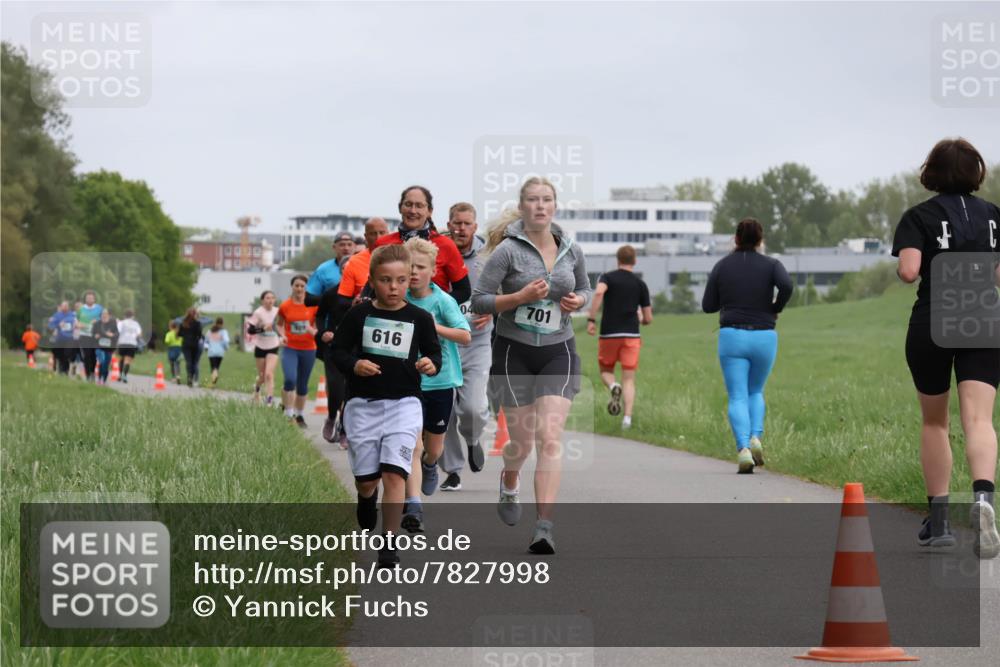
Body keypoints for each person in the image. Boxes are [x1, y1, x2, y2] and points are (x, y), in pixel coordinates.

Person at [891, 137, 999, 559]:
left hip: (933, 321)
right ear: (976, 171)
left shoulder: (919, 216)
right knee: (980, 420)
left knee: (935, 422)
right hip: (983, 321)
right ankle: (984, 501)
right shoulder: (993, 216)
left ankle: (938, 524)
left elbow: (909, 270)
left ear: (931, 172)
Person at [471, 176, 591, 555]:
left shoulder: (571, 248)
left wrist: (578, 301)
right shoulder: (507, 251)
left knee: (550, 438)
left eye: (547, 200)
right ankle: (509, 478)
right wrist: (519, 296)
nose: (540, 206)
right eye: (533, 200)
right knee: (521, 444)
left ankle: (543, 527)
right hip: (514, 352)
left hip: (559, 350)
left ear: (555, 206)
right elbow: (479, 300)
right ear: (522, 208)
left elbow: (586, 288)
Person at [330, 244, 442, 567]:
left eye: (401, 280)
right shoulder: (360, 314)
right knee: (368, 480)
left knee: (395, 474)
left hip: (405, 405)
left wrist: (430, 364)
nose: (393, 288)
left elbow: (435, 353)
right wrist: (355, 364)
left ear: (410, 279)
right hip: (363, 405)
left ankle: (388, 546)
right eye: (385, 280)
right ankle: (366, 499)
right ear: (372, 280)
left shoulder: (419, 318)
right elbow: (338, 351)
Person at [702, 218, 794, 474]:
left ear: (736, 239)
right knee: (756, 391)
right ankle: (756, 437)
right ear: (760, 240)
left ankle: (743, 449)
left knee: (738, 395)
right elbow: (786, 285)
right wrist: (775, 308)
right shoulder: (772, 264)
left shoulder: (722, 266)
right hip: (764, 335)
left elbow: (708, 305)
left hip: (732, 336)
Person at [399, 237, 471, 531]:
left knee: (434, 449)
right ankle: (413, 505)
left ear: (432, 271)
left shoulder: (443, 300)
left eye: (420, 267)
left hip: (440, 382)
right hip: (407, 384)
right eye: (409, 266)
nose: (414, 272)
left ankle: (431, 466)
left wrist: (432, 325)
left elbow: (464, 336)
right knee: (412, 446)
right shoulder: (397, 298)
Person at [440, 202, 493, 491]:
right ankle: (453, 470)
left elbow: (511, 290)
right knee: (443, 409)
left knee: (472, 407)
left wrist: (494, 308)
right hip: (442, 343)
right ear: (448, 223)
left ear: (475, 226)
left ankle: (473, 439)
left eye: (466, 224)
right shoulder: (434, 252)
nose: (460, 229)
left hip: (477, 341)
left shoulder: (489, 256)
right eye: (456, 223)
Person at [586, 245, 653, 429]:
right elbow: (648, 318)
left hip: (609, 334)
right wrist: (642, 320)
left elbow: (599, 292)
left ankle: (613, 386)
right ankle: (627, 420)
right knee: (629, 379)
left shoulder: (607, 277)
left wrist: (591, 319)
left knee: (606, 371)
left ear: (618, 260)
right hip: (631, 335)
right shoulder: (640, 284)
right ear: (635, 261)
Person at [374, 186, 471, 305]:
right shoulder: (383, 244)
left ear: (429, 211)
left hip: (432, 319)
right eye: (408, 204)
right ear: (400, 208)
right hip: (390, 318)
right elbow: (373, 284)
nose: (413, 211)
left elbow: (464, 291)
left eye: (419, 206)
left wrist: (434, 306)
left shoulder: (446, 244)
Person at [276, 274, 319, 427]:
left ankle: (300, 415)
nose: (299, 288)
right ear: (292, 287)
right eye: (297, 285)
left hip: (308, 349)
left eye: (302, 286)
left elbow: (318, 325)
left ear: (306, 287)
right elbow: (279, 324)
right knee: (290, 379)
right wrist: (282, 335)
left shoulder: (313, 305)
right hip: (290, 348)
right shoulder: (285, 306)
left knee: (302, 385)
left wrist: (314, 330)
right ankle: (289, 414)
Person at [339, 218, 391, 302]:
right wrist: (356, 302)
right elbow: (342, 300)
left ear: (388, 234)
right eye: (373, 234)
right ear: (366, 237)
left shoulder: (399, 256)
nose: (378, 237)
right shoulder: (354, 262)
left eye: (382, 233)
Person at [247, 290, 280, 406]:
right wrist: (262, 329)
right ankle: (257, 390)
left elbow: (283, 326)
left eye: (272, 298)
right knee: (261, 376)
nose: (270, 300)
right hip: (260, 346)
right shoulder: (258, 313)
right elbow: (250, 330)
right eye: (267, 298)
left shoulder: (278, 311)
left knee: (269, 374)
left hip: (274, 346)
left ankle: (269, 400)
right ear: (262, 300)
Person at [305, 231, 356, 305]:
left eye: (349, 244)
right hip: (332, 315)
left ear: (355, 247)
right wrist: (331, 298)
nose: (346, 248)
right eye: (342, 245)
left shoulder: (365, 266)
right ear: (334, 247)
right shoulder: (323, 269)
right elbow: (309, 300)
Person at [76, 291, 104, 381]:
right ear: (85, 299)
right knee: (86, 355)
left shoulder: (99, 308)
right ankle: (88, 375)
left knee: (93, 355)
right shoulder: (81, 309)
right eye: (88, 298)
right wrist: (81, 325)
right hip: (84, 335)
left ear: (94, 299)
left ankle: (92, 372)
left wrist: (97, 321)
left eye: (91, 298)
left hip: (95, 336)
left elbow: (104, 320)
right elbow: (76, 322)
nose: (89, 299)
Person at [46, 302, 76, 374]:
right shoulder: (57, 315)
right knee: (60, 355)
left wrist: (75, 326)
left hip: (69, 338)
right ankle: (62, 370)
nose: (65, 307)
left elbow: (77, 323)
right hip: (60, 338)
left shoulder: (72, 315)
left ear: (68, 307)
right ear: (61, 307)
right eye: (63, 306)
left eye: (66, 306)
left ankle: (65, 370)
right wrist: (58, 325)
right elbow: (50, 326)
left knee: (67, 354)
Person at [177, 308, 203, 387]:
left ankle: (189, 377)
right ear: (195, 314)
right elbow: (199, 334)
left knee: (188, 361)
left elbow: (179, 334)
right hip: (195, 344)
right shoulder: (197, 323)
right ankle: (192, 377)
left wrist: (185, 335)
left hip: (185, 344)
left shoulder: (183, 323)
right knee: (194, 362)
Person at [116, 309, 143, 384]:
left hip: (122, 343)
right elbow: (140, 334)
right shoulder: (136, 324)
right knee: (128, 360)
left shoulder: (121, 322)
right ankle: (124, 374)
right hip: (132, 343)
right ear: (133, 316)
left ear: (124, 316)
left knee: (121, 358)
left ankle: (120, 374)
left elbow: (118, 331)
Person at [92, 309, 119, 385]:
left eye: (106, 314)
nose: (104, 315)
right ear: (101, 315)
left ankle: (104, 380)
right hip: (99, 346)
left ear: (109, 315)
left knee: (106, 364)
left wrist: (112, 335)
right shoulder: (97, 324)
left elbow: (117, 334)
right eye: (103, 314)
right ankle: (99, 379)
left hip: (109, 347)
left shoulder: (113, 324)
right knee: (102, 361)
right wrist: (95, 336)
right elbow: (93, 333)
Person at [205, 317, 230, 387]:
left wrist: (206, 348)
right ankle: (213, 382)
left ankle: (213, 382)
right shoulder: (223, 332)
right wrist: (226, 348)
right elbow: (226, 341)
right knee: (216, 367)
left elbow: (206, 341)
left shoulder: (210, 331)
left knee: (213, 367)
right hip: (220, 352)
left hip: (211, 352)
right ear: (222, 323)